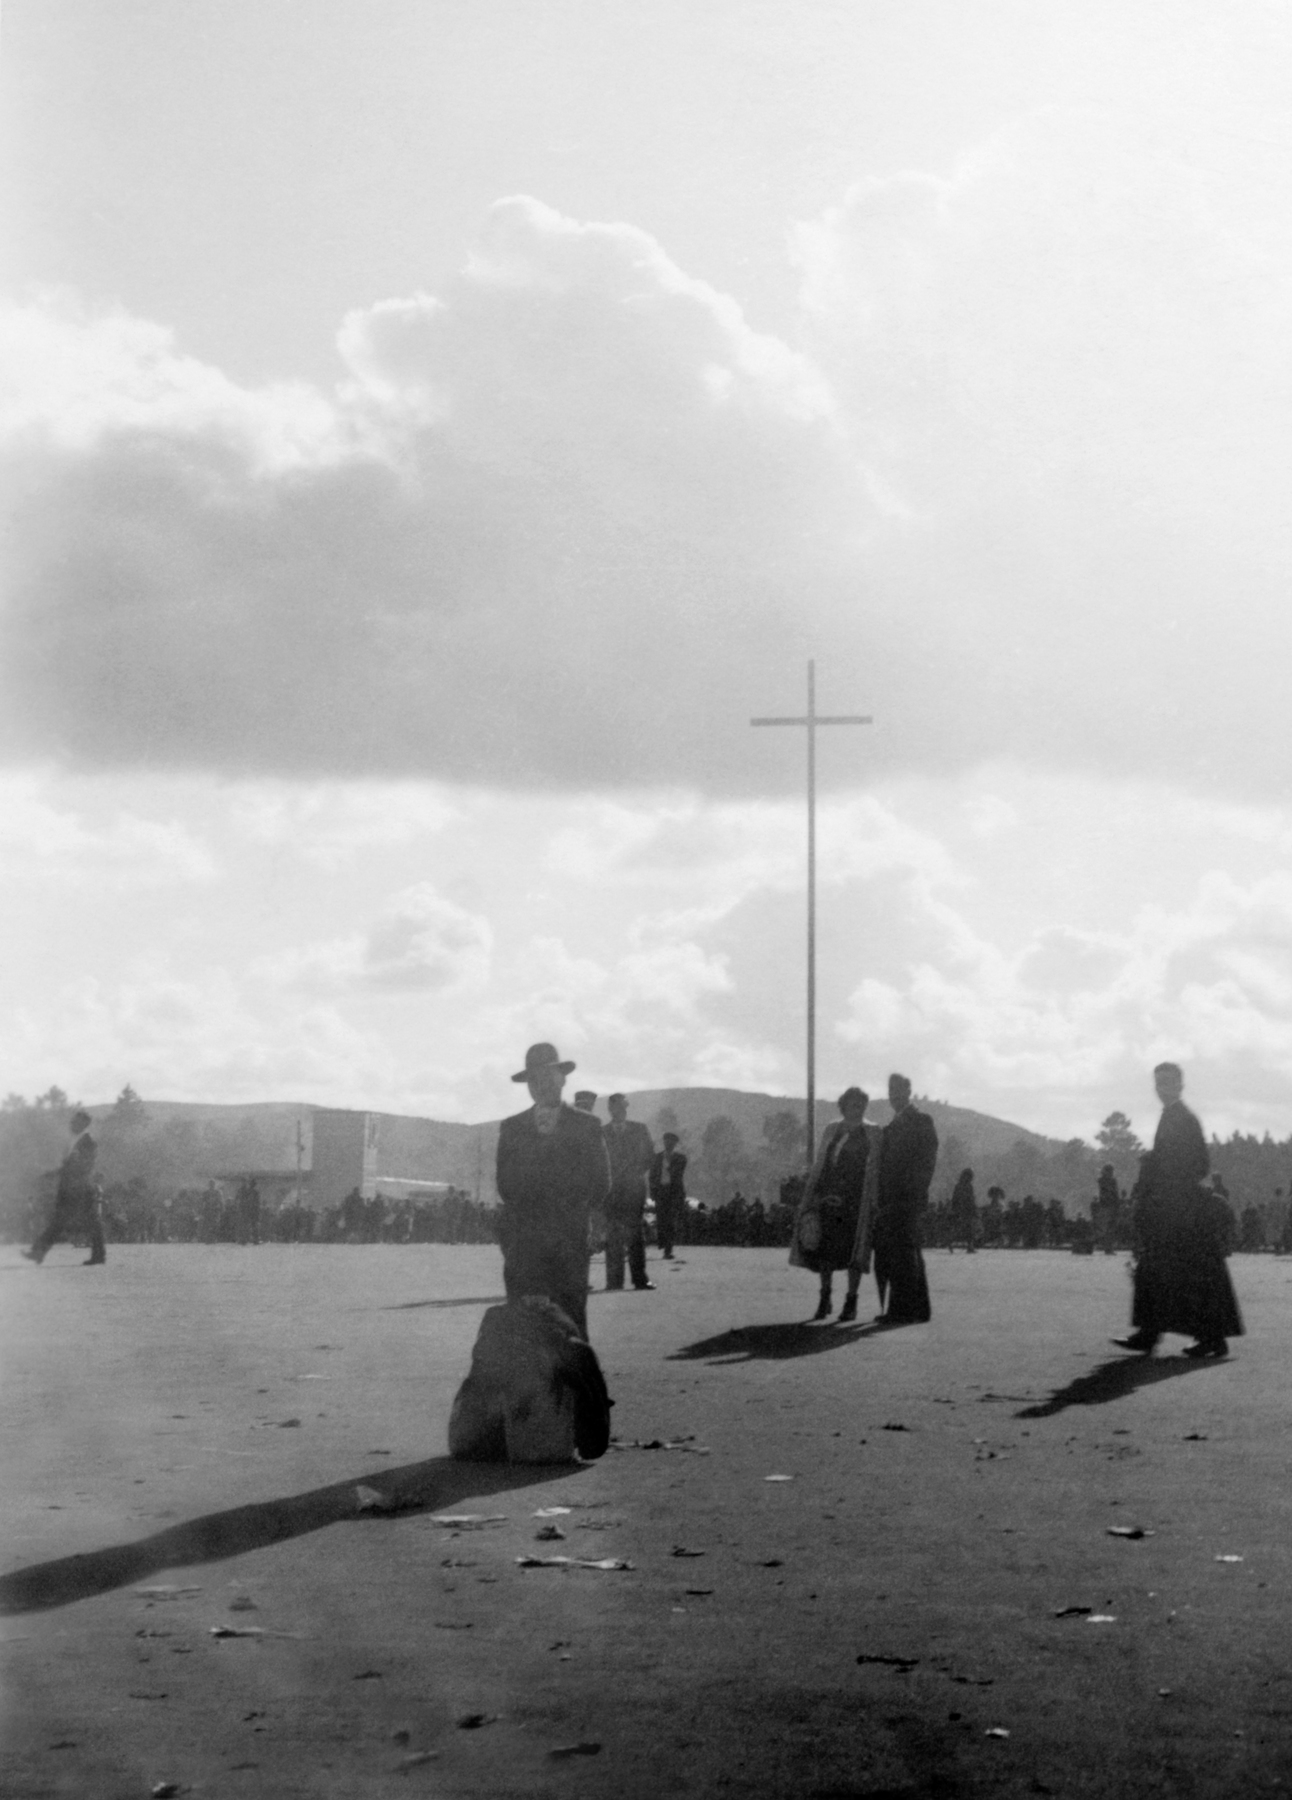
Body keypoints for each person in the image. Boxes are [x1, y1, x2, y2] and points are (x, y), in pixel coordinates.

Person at [1113, 1063, 1244, 1359]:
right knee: (1169, 1269)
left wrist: (1162, 1173)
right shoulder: (1176, 1116)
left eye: (1168, 1082)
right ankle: (1158, 1333)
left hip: (1180, 1208)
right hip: (1172, 1206)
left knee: (1176, 1270)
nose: (1162, 1088)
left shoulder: (1182, 1118)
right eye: (1159, 1083)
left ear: (1180, 1085)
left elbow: (1200, 1165)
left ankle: (1182, 1335)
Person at [495, 1043, 610, 1338]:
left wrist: (571, 1210)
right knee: (522, 1324)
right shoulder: (512, 1127)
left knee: (570, 1320)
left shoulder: (587, 1125)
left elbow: (600, 1182)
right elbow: (505, 1184)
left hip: (569, 1241)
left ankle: (573, 1383)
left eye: (547, 1077)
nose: (540, 1085)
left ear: (562, 1079)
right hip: (524, 1242)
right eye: (533, 1080)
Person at [790, 1087, 881, 1321]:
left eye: (861, 1104)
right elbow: (822, 1164)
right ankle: (825, 1297)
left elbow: (875, 1170)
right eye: (852, 1104)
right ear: (843, 1106)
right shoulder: (833, 1129)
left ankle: (851, 1301)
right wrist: (812, 1195)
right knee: (825, 1250)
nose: (857, 1109)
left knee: (854, 1252)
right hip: (828, 1198)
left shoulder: (872, 1131)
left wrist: (873, 1200)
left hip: (856, 1201)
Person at [872, 1074, 936, 1323]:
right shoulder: (892, 1127)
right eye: (890, 1090)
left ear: (909, 1091)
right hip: (893, 1199)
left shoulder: (921, 1121)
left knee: (904, 1252)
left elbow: (926, 1162)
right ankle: (915, 1309)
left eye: (898, 1090)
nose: (893, 1095)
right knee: (904, 1252)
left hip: (907, 1198)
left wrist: (913, 1192)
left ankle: (904, 1310)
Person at [25, 1109, 105, 1266]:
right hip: (70, 1187)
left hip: (79, 1188)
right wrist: (54, 1173)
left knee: (77, 1222)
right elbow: (69, 1165)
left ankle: (38, 1252)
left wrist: (67, 1177)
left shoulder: (89, 1142)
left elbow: (86, 1166)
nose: (71, 1123)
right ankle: (99, 1255)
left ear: (83, 1123)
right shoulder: (74, 1141)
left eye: (75, 1121)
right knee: (70, 1221)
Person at [603, 1093, 656, 1291]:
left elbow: (650, 1156)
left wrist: (634, 1172)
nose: (620, 1110)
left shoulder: (639, 1130)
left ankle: (640, 1279)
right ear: (610, 1109)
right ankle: (614, 1281)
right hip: (611, 1192)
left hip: (634, 1190)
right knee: (613, 1236)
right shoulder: (603, 1133)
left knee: (635, 1235)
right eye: (616, 1107)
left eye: (623, 1106)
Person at [649, 1132, 687, 1260]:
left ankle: (668, 1249)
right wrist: (652, 1191)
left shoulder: (681, 1158)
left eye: (671, 1142)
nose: (668, 1144)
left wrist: (669, 1165)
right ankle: (664, 1245)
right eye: (666, 1141)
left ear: (675, 1144)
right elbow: (652, 1176)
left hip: (673, 1192)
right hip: (661, 1191)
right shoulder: (656, 1158)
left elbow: (678, 1173)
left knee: (670, 1221)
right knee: (661, 1220)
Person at [948, 1168, 978, 1252]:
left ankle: (951, 1241)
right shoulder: (968, 1186)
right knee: (968, 1228)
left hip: (959, 1210)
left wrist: (954, 1208)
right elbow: (971, 1199)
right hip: (967, 1210)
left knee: (959, 1227)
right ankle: (970, 1246)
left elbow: (954, 1198)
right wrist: (973, 1209)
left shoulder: (958, 1185)